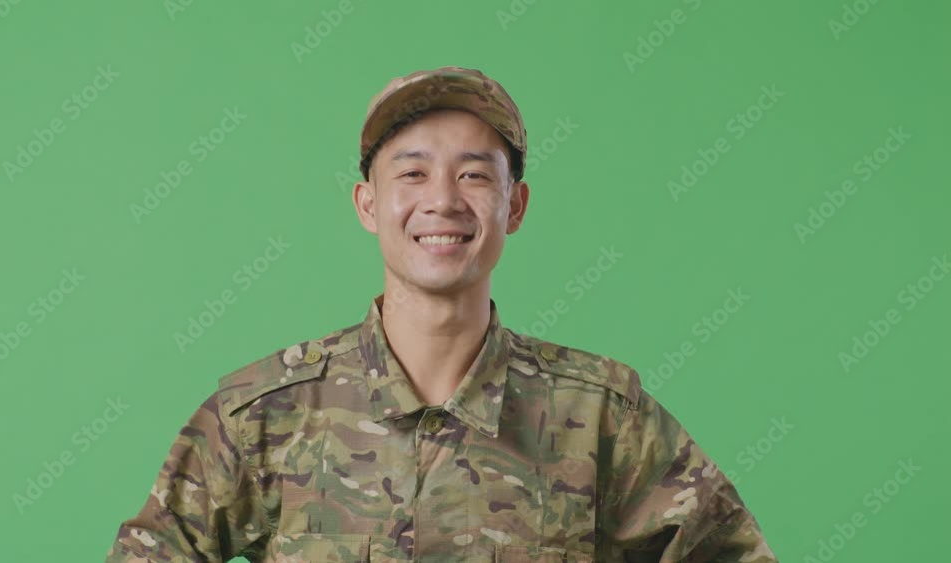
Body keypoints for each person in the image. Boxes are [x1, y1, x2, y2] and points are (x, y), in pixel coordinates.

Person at [106, 66, 777, 562]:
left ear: (514, 206)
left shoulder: (601, 415)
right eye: (413, 172)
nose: (443, 201)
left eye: (475, 174)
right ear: (368, 204)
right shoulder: (265, 413)